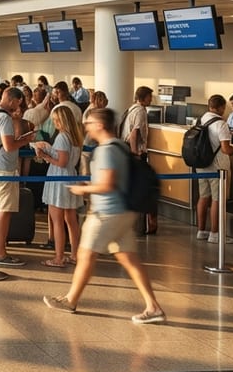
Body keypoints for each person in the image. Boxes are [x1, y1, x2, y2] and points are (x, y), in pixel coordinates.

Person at [44, 107, 166, 324]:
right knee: (129, 259)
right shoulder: (120, 146)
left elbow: (107, 184)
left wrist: (84, 190)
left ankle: (70, 300)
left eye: (89, 123)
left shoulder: (107, 150)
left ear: (99, 125)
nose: (86, 127)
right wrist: (90, 184)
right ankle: (153, 306)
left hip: (107, 213)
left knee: (85, 255)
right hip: (124, 212)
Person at [0, 87, 33, 266]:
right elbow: (9, 145)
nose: (18, 108)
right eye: (18, 104)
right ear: (12, 100)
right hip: (5, 169)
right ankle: (1, 254)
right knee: (5, 211)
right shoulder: (4, 118)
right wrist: (27, 139)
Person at [36, 106, 84, 268]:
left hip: (59, 179)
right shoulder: (75, 137)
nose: (54, 122)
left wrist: (46, 156)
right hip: (70, 177)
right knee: (71, 219)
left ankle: (59, 257)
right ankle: (75, 254)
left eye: (56, 120)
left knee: (57, 220)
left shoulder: (62, 137)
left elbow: (61, 162)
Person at [194, 95, 233, 243]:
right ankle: (215, 234)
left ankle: (201, 231)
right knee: (217, 200)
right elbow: (226, 149)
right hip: (218, 167)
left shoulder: (201, 119)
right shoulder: (221, 124)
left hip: (202, 165)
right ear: (221, 107)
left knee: (203, 197)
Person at [120, 85, 156, 234]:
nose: (151, 99)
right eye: (149, 96)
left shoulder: (131, 109)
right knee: (140, 188)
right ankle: (140, 226)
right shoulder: (141, 111)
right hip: (135, 151)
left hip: (126, 150)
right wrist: (136, 155)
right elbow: (135, 134)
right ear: (144, 97)